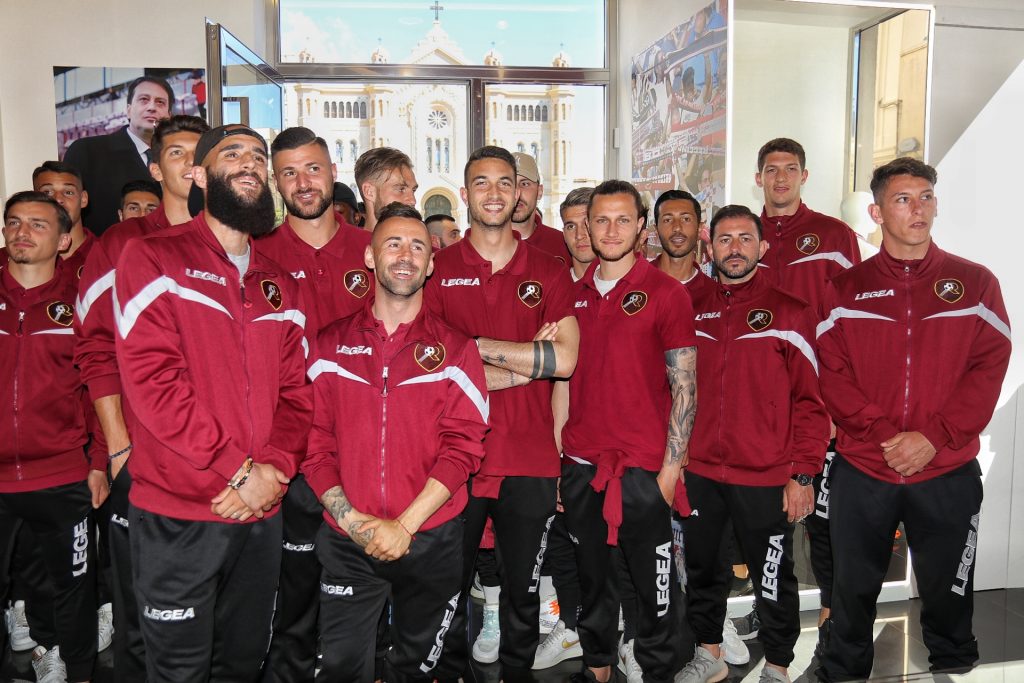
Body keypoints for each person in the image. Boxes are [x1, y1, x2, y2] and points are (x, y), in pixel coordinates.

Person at [113, 124, 312, 680]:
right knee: (178, 670)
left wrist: (273, 470)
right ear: (199, 175)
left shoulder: (280, 283)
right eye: (232, 154)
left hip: (261, 510)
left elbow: (298, 395)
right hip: (180, 513)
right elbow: (154, 383)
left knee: (242, 665)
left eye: (258, 156)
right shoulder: (151, 258)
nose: (250, 163)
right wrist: (238, 470)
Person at [816, 158, 1011, 681]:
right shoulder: (844, 289)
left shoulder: (975, 283)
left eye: (926, 197)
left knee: (950, 589)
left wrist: (934, 437)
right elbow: (832, 372)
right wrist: (885, 438)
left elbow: (989, 366)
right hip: (864, 468)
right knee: (851, 588)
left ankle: (953, 665)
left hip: (945, 467)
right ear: (878, 213)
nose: (917, 209)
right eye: (903, 199)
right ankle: (844, 669)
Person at [303, 202, 489, 680]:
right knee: (341, 669)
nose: (405, 255)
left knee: (417, 670)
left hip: (431, 538)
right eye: (393, 243)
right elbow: (314, 446)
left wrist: (404, 527)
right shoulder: (328, 345)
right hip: (348, 539)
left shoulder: (457, 349)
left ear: (431, 265)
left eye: (418, 247)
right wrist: (356, 525)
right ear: (369, 257)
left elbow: (463, 450)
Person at [426, 145, 579, 681]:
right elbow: (433, 371)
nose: (494, 193)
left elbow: (564, 360)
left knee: (523, 596)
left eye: (504, 183)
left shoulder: (550, 270)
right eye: (482, 183)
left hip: (529, 459)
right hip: (454, 457)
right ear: (464, 194)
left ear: (519, 193)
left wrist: (470, 347)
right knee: (446, 592)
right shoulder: (437, 269)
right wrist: (525, 362)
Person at [75, 113, 209, 683]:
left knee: (215, 609)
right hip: (143, 457)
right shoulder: (123, 243)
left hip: (219, 461)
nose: (191, 163)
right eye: (177, 153)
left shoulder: (235, 241)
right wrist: (118, 446)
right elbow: (94, 349)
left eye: (201, 153)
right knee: (141, 610)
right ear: (155, 169)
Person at [676, 205, 829, 683]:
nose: (735, 248)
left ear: (762, 247)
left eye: (745, 238)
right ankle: (710, 653)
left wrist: (803, 473)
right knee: (703, 570)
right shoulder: (687, 304)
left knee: (772, 576)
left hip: (766, 475)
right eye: (725, 239)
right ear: (710, 248)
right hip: (700, 471)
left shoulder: (791, 311)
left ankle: (778, 666)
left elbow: (811, 401)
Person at [559, 179, 696, 683]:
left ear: (641, 227)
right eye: (601, 220)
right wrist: (561, 460)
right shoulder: (568, 293)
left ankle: (657, 670)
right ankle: (597, 666)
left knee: (656, 594)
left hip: (643, 471)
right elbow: (561, 383)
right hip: (582, 467)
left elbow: (685, 386)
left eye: (623, 220)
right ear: (587, 226)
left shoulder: (666, 293)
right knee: (592, 584)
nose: (611, 230)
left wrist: (669, 474)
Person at [735, 138, 862, 648]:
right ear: (759, 178)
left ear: (804, 176)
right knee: (768, 524)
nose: (781, 178)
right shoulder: (744, 237)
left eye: (790, 169)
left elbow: (853, 319)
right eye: (771, 170)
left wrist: (837, 405)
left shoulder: (834, 235)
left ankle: (832, 621)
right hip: (759, 407)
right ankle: (767, 613)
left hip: (819, 402)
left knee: (824, 523)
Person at [259, 126, 373, 682]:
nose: (303, 182)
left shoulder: (374, 249)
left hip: (371, 450)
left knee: (372, 590)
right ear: (275, 182)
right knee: (295, 594)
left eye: (312, 168)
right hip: (293, 453)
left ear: (333, 172)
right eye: (289, 172)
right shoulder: (257, 254)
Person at [1, 191, 107, 683]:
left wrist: (100, 460)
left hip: (62, 475)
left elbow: (101, 388)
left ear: (65, 239)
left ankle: (74, 669)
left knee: (74, 590)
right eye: (13, 222)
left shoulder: (83, 302)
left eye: (37, 224)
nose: (21, 232)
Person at [64, 76, 174, 234]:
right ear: (128, 110)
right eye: (144, 100)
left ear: (169, 115)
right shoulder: (87, 151)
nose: (152, 107)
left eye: (160, 102)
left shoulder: (180, 162)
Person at [31, 160, 97, 285]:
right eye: (47, 192)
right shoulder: (12, 258)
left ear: (83, 199)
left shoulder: (108, 255)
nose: (58, 199)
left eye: (68, 192)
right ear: (34, 200)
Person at [510, 152, 570, 262]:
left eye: (525, 184)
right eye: (509, 184)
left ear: (540, 191)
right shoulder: (485, 244)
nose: (517, 192)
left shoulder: (563, 244)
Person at [651, 189, 707, 290]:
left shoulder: (713, 293)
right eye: (667, 220)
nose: (677, 227)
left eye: (686, 219)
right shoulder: (635, 283)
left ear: (699, 228)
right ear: (656, 230)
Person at [354, 147, 419, 232]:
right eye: (401, 189)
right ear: (369, 192)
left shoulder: (425, 240)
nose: (413, 201)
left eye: (413, 190)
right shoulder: (348, 240)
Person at [559, 187, 596, 282]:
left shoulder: (625, 286)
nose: (579, 235)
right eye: (571, 226)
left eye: (587, 224)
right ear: (564, 234)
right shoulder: (554, 286)